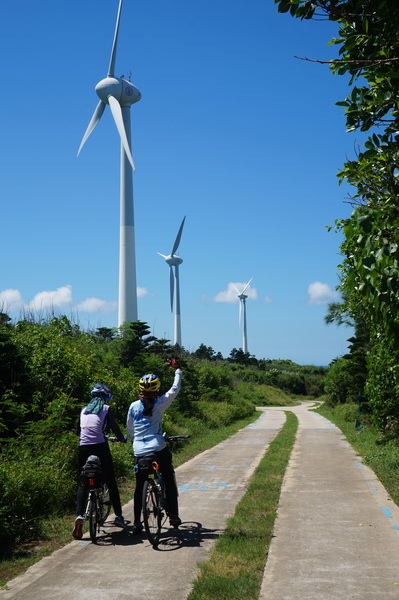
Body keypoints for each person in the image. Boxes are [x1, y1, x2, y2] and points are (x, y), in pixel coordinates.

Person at [126, 359, 182, 534]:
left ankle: (136, 522)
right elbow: (175, 389)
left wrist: (135, 442)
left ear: (140, 389)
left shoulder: (133, 406)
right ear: (156, 389)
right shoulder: (159, 404)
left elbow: (129, 429)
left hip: (140, 451)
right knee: (168, 479)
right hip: (158, 449)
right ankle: (173, 514)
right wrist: (177, 370)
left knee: (139, 485)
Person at [72, 383, 127, 540]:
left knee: (82, 481)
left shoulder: (83, 410)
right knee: (110, 479)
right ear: (105, 397)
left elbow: (78, 431)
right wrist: (122, 439)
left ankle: (79, 515)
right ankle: (118, 516)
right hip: (100, 447)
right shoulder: (106, 409)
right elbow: (114, 428)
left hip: (83, 447)